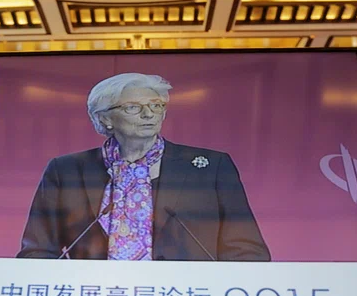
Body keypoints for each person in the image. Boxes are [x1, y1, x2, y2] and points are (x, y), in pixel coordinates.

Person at [18, 73, 270, 261]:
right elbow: (38, 251)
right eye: (133, 108)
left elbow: (246, 249)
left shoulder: (211, 167)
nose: (149, 114)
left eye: (156, 106)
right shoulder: (66, 170)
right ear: (105, 118)